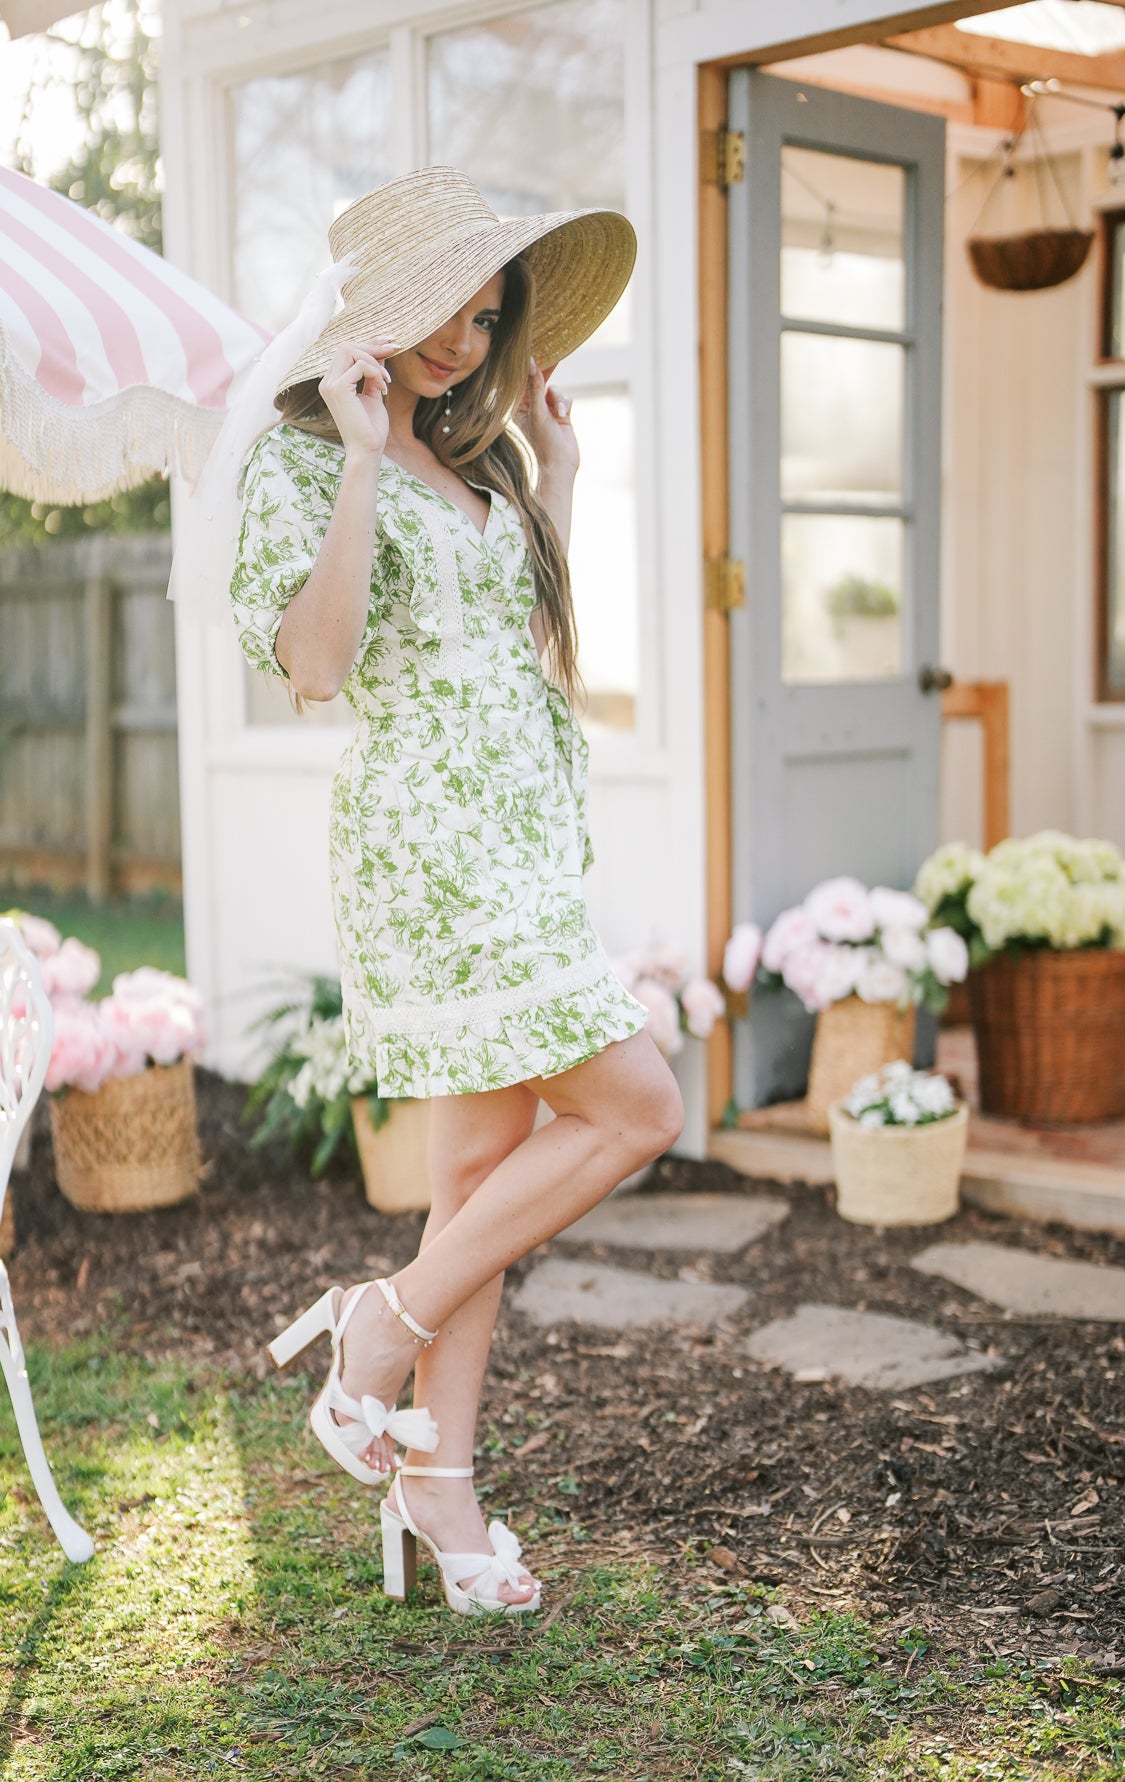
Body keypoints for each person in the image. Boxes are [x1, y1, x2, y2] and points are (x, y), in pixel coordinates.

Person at [230, 167, 683, 1617]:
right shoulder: (304, 464)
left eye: (487, 316)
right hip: (429, 851)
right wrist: (362, 457)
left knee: (480, 1184)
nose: (464, 339)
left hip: (525, 839)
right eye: (445, 306)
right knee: (641, 1104)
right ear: (373, 309)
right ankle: (382, 1326)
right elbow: (315, 665)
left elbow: (540, 665)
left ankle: (439, 1484)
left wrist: (560, 487)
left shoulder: (486, 467)